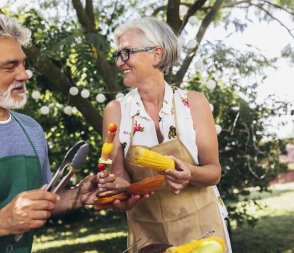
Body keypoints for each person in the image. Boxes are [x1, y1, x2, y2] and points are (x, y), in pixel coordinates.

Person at [0, 13, 104, 253]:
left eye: (23, 64)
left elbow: (41, 200)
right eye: (10, 66)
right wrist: (2, 222)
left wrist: (76, 196)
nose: (23, 75)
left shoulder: (31, 129)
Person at [99, 17, 232, 252]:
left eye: (126, 52)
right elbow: (120, 178)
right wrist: (110, 187)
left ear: (156, 54)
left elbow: (214, 172)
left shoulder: (194, 103)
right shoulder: (116, 111)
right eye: (118, 55)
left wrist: (190, 173)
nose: (120, 63)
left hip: (204, 229)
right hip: (151, 236)